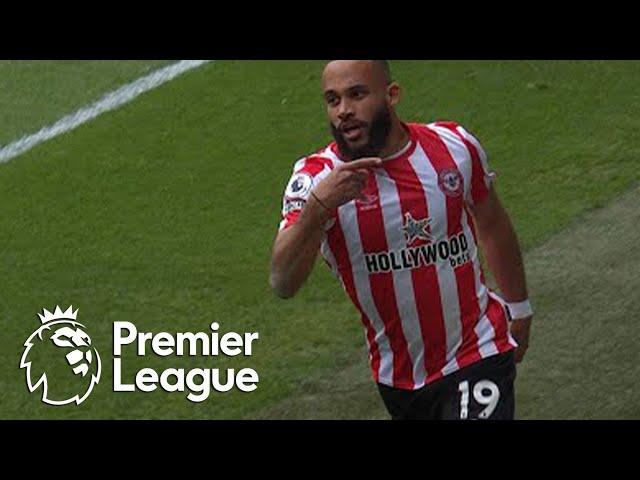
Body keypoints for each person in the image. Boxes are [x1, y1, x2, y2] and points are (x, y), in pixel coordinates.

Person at [269, 60, 533, 420]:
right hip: (399, 378)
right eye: (333, 100)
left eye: (357, 95)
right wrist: (317, 208)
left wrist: (519, 308)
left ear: (392, 95)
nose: (344, 111)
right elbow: (282, 281)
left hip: (479, 350)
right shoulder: (316, 178)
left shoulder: (452, 148)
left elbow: (492, 223)